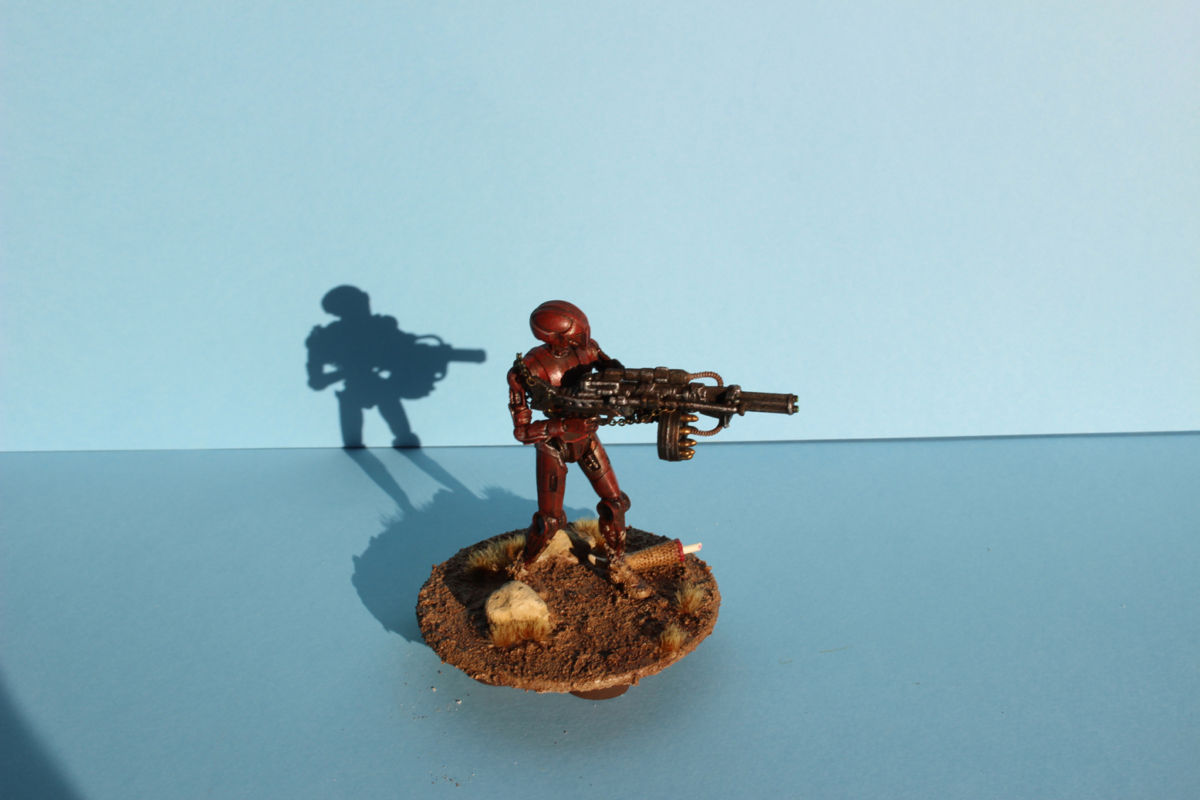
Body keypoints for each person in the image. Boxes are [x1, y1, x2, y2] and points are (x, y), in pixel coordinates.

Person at [506, 300, 651, 598]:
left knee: (615, 503)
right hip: (554, 445)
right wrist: (560, 427)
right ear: (554, 337)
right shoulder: (527, 370)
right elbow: (522, 431)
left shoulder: (590, 351)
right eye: (573, 338)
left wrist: (620, 378)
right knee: (550, 521)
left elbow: (614, 373)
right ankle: (522, 568)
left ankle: (618, 566)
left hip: (586, 437)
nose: (580, 343)